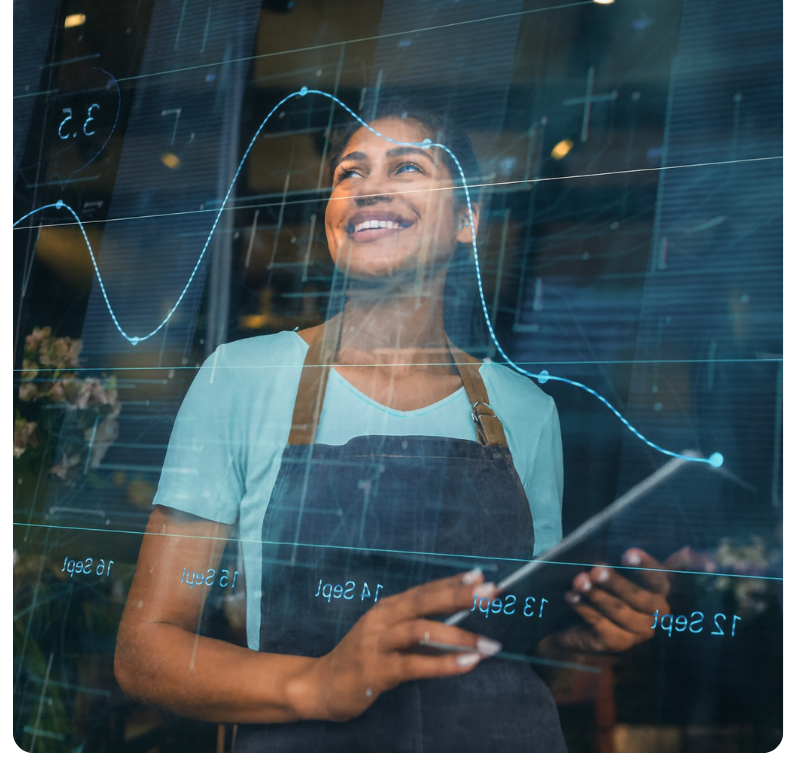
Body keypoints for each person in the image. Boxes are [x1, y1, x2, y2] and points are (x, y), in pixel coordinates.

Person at [115, 104, 673, 752]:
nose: (367, 187)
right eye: (349, 173)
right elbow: (146, 651)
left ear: (468, 220)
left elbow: (521, 635)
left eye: (407, 166)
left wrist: (579, 639)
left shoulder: (525, 412)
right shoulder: (239, 378)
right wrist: (318, 684)